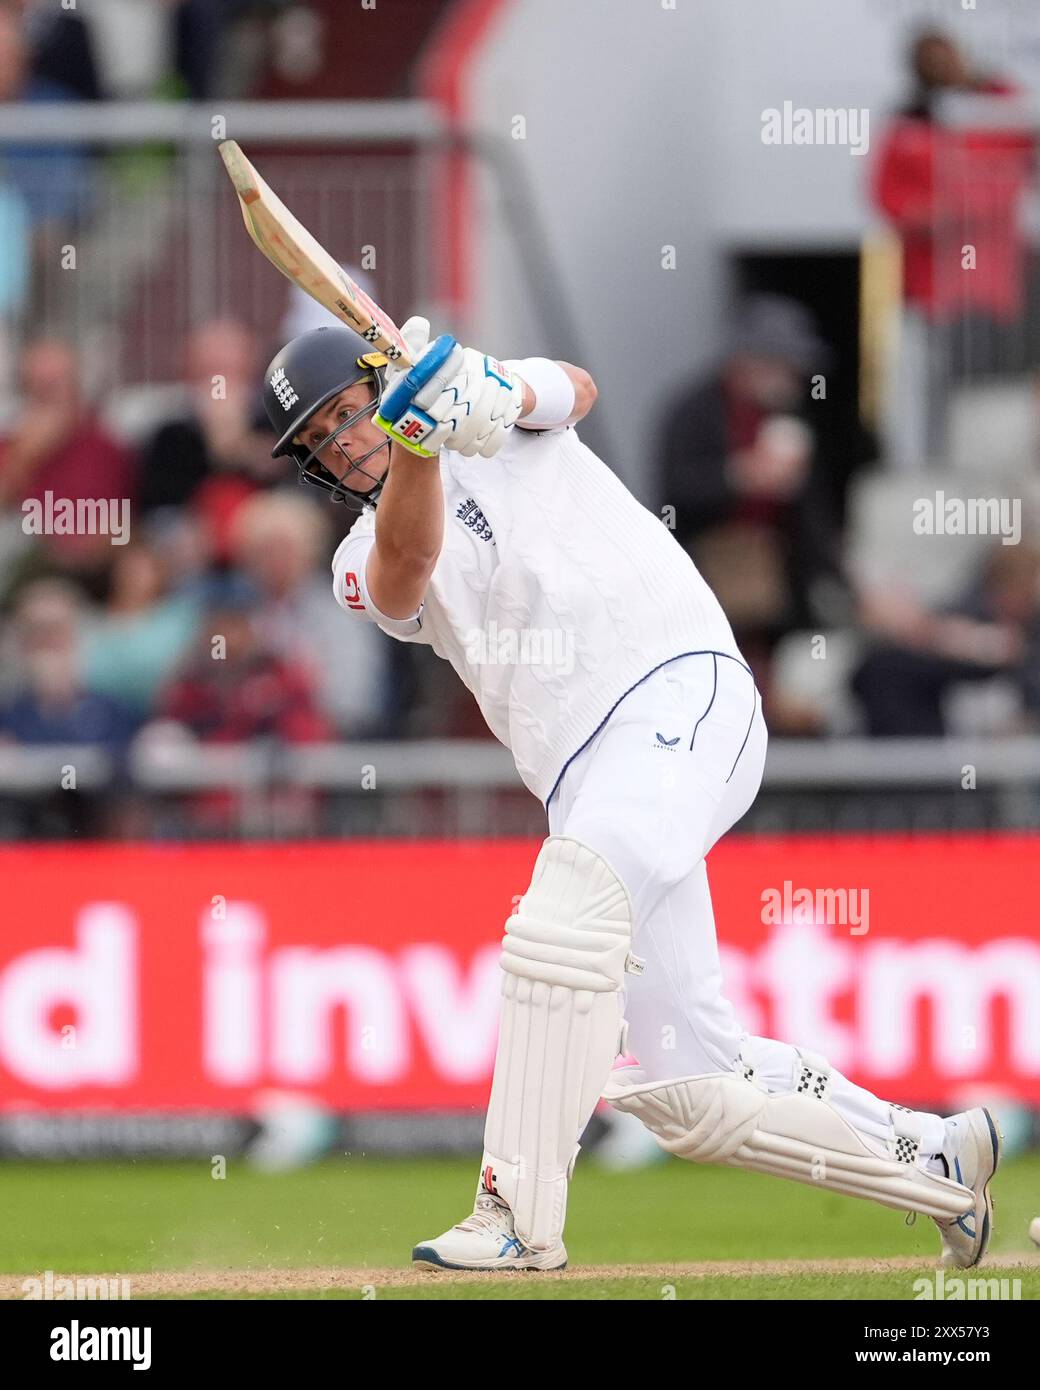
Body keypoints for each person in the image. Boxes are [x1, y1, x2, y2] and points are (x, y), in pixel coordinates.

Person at [259, 319, 1001, 1272]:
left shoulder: (489, 412)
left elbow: (573, 386)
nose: (338, 447)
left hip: (680, 691)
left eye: (342, 420)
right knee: (690, 1088)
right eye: (319, 444)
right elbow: (404, 575)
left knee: (557, 922)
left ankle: (516, 1215)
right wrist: (415, 441)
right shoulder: (359, 557)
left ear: (379, 384)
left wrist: (482, 388)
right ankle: (937, 1161)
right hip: (588, 781)